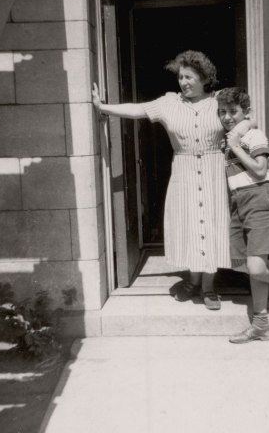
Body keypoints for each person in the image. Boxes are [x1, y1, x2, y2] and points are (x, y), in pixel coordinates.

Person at [91, 50, 253, 310]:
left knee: (213, 226)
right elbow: (137, 110)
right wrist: (103, 107)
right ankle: (192, 280)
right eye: (180, 77)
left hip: (214, 170)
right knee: (190, 224)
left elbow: (246, 116)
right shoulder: (169, 103)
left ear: (204, 77)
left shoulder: (219, 101)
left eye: (189, 77)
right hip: (184, 171)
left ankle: (209, 286)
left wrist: (241, 130)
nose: (184, 82)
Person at [217, 87, 269, 343]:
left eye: (232, 112)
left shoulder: (253, 134)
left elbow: (260, 170)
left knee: (256, 266)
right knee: (246, 264)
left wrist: (235, 147)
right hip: (239, 201)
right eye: (222, 112)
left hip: (258, 196)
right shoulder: (232, 134)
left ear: (245, 112)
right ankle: (261, 324)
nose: (226, 117)